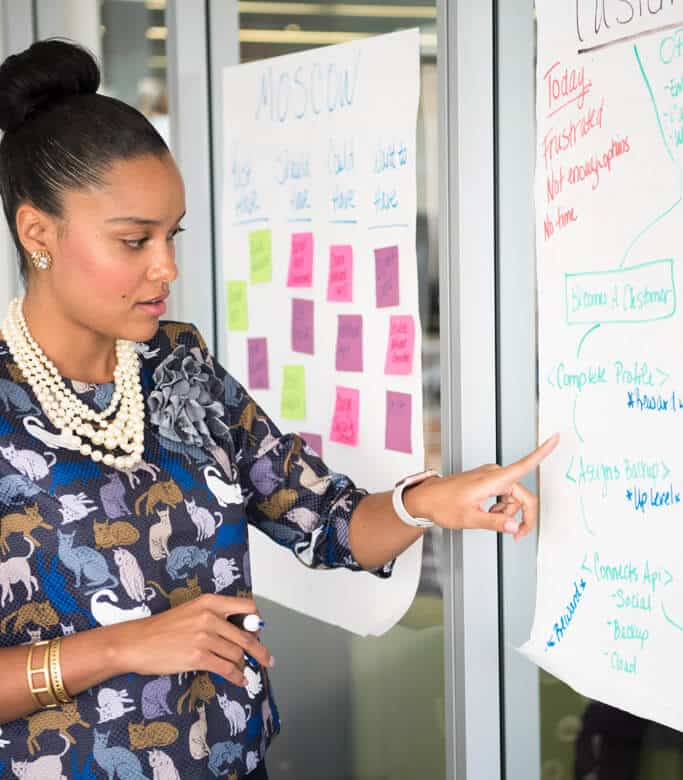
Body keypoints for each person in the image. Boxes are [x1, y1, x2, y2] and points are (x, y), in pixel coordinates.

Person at [0, 39, 558, 780]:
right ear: (38, 233)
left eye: (173, 236)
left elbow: (326, 521)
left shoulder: (179, 367)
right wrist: (121, 645)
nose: (165, 267)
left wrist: (430, 502)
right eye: (134, 240)